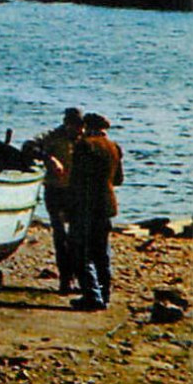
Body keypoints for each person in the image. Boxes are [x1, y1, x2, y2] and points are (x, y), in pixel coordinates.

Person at [68, 113, 123, 311]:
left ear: (87, 127)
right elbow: (118, 180)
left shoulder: (84, 146)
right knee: (102, 253)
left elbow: (76, 179)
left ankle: (92, 295)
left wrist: (69, 206)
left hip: (85, 205)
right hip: (107, 205)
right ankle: (105, 294)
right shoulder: (114, 147)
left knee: (81, 252)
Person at [29, 108, 84, 293]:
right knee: (60, 237)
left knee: (77, 238)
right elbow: (29, 147)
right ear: (67, 124)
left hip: (77, 193)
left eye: (81, 127)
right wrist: (49, 158)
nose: (79, 131)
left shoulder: (84, 140)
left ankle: (78, 278)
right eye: (76, 127)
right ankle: (65, 279)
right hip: (55, 191)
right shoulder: (52, 136)